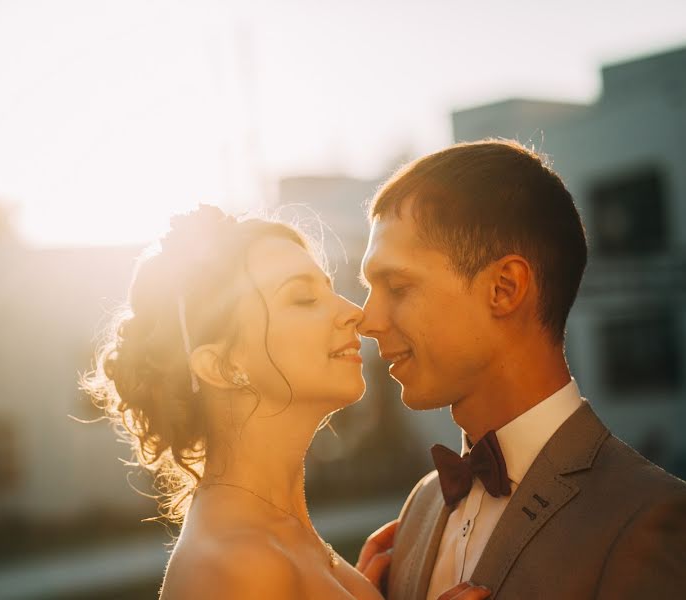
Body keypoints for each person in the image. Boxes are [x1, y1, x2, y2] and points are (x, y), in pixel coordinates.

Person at [84, 206, 489, 599]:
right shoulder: (234, 569)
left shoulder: (278, 538)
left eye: (329, 290)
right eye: (303, 299)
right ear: (221, 366)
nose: (354, 313)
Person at [355, 140, 686, 599]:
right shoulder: (422, 505)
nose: (367, 321)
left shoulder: (647, 517)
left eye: (396, 285)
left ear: (504, 288)